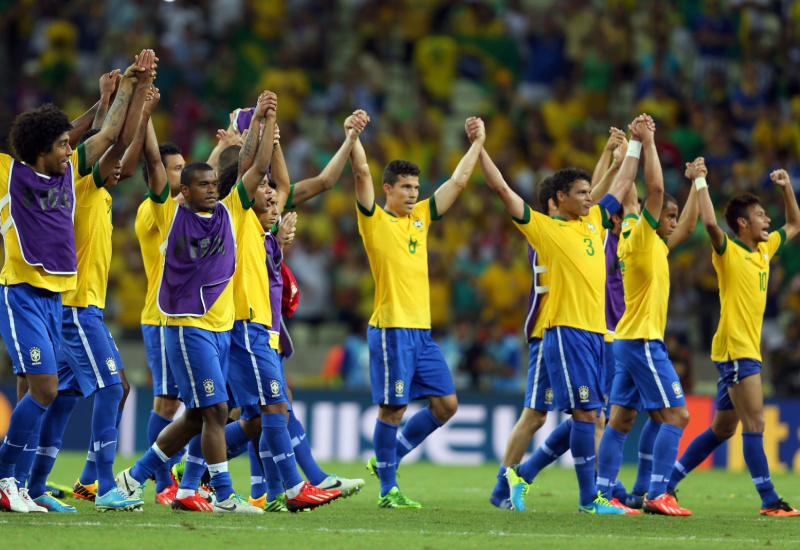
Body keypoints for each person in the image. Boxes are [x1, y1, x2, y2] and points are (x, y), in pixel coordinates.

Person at [0, 49, 155, 514]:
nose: (71, 150)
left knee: (44, 390)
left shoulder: (70, 176)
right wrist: (124, 90)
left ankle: (25, 482)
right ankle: (8, 476)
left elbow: (109, 132)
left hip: (54, 299)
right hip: (23, 294)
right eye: (62, 145)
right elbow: (105, 135)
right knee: (49, 389)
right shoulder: (10, 175)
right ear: (40, 149)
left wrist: (125, 88)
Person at [114, 91, 280, 514]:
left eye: (212, 183)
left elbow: (257, 166)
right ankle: (222, 495)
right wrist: (145, 113)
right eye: (201, 185)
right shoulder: (170, 215)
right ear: (183, 191)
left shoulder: (229, 212)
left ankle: (133, 479)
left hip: (221, 329)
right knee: (215, 409)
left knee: (197, 416)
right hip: (188, 327)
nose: (210, 189)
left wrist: (261, 120)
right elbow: (154, 164)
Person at [480, 116, 647, 514]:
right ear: (559, 198)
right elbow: (502, 189)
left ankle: (523, 475)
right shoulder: (544, 230)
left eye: (590, 192)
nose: (589, 198)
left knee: (587, 414)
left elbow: (620, 185)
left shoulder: (593, 223)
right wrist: (479, 149)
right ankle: (590, 498)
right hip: (563, 332)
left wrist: (637, 144)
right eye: (581, 193)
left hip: (596, 333)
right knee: (583, 414)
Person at [354, 115, 485, 508]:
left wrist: (477, 144)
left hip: (422, 333)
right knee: (393, 409)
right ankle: (388, 489)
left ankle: (387, 459)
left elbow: (458, 183)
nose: (413, 194)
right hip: (392, 328)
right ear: (388, 189)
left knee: (447, 405)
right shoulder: (374, 220)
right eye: (406, 187)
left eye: (416, 187)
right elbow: (360, 171)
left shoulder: (423, 218)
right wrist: (353, 137)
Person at [665, 168, 800, 517]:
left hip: (743, 351)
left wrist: (786, 189)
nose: (767, 219)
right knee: (755, 424)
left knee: (723, 428)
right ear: (742, 224)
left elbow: (795, 224)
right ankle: (770, 500)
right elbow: (710, 225)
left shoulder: (765, 249)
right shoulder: (729, 251)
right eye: (759, 215)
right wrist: (700, 181)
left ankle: (666, 483)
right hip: (736, 351)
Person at [595, 118, 702, 517]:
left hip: (628, 338)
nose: (671, 221)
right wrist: (649, 141)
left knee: (621, 419)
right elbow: (651, 191)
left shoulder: (647, 242)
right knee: (677, 414)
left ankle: (605, 493)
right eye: (667, 216)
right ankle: (659, 492)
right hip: (642, 339)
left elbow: (685, 223)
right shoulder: (640, 236)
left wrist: (634, 150)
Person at [132, 93, 188, 506]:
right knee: (167, 401)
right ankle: (162, 481)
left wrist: (228, 144)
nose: (185, 176)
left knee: (191, 402)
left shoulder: (182, 207)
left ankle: (177, 477)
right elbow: (152, 160)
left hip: (183, 318)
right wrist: (146, 115)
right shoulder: (157, 207)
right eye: (179, 170)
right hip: (161, 316)